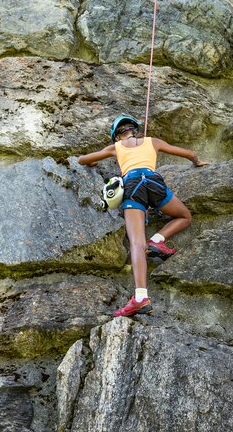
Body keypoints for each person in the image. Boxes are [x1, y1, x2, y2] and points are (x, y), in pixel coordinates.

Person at [77, 114, 207, 317]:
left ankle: (141, 297)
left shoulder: (116, 147)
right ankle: (157, 240)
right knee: (184, 216)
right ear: (135, 130)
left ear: (117, 136)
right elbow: (190, 153)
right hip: (153, 181)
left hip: (132, 184)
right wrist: (197, 162)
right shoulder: (152, 142)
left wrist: (94, 162)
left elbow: (82, 159)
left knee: (137, 243)